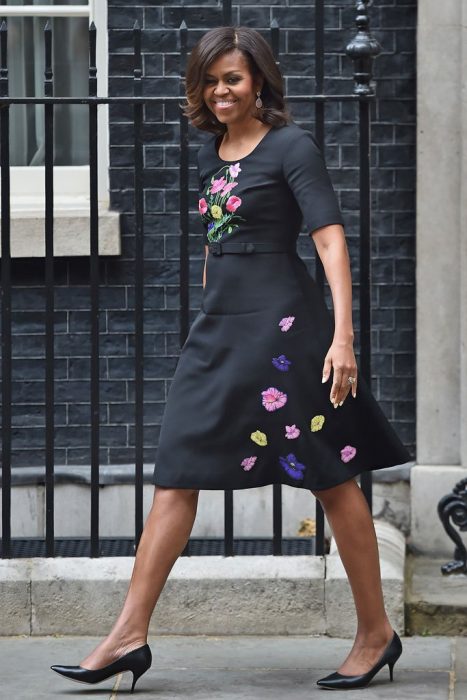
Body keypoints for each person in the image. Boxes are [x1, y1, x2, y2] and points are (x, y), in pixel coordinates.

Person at [51, 25, 411, 692]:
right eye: (211, 79)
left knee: (330, 478)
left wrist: (342, 339)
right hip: (220, 330)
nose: (221, 90)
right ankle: (127, 635)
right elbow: (216, 248)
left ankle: (374, 634)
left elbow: (329, 243)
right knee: (176, 467)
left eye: (233, 79)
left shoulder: (291, 148)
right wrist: (207, 316)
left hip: (285, 329)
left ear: (259, 84)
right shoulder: (209, 153)